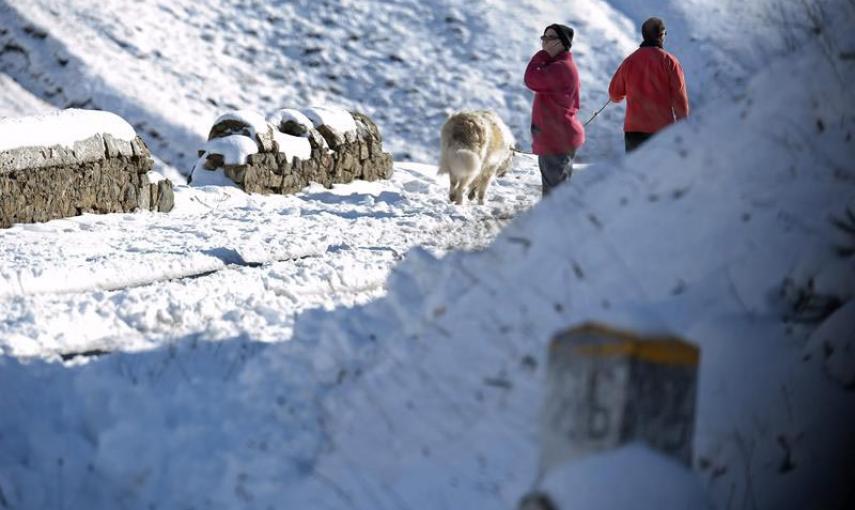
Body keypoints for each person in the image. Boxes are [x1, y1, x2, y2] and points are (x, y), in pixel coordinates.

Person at [608, 17, 690, 152]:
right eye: (665, 33)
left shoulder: (630, 61)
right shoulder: (670, 61)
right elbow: (679, 99)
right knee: (661, 172)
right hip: (662, 130)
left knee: (634, 172)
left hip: (633, 131)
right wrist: (685, 127)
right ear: (661, 35)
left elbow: (614, 94)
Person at [524, 24, 585, 196]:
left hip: (556, 138)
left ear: (562, 43)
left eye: (550, 38)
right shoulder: (558, 65)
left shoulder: (561, 68)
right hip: (556, 136)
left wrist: (541, 55)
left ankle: (560, 223)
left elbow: (531, 79)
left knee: (555, 196)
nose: (544, 43)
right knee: (557, 192)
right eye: (543, 38)